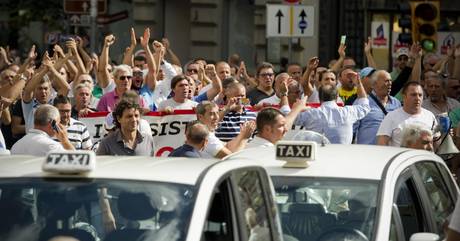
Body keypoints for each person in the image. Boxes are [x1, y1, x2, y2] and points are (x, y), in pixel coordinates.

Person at [292, 72, 370, 144]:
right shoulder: (348, 112)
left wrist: (286, 96)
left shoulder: (311, 114)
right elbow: (365, 106)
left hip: (319, 156)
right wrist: (358, 83)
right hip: (343, 156)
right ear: (337, 97)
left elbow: (289, 118)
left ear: (319, 98)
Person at [377, 81, 437, 147]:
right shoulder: (391, 117)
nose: (417, 98)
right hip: (401, 157)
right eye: (413, 95)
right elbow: (382, 144)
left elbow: (436, 143)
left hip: (423, 157)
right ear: (404, 96)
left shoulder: (429, 116)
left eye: (420, 95)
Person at [354, 70, 401, 144]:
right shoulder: (362, 103)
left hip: (390, 152)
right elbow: (352, 128)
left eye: (390, 81)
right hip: (367, 151)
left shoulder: (396, 103)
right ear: (374, 84)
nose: (390, 84)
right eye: (386, 81)